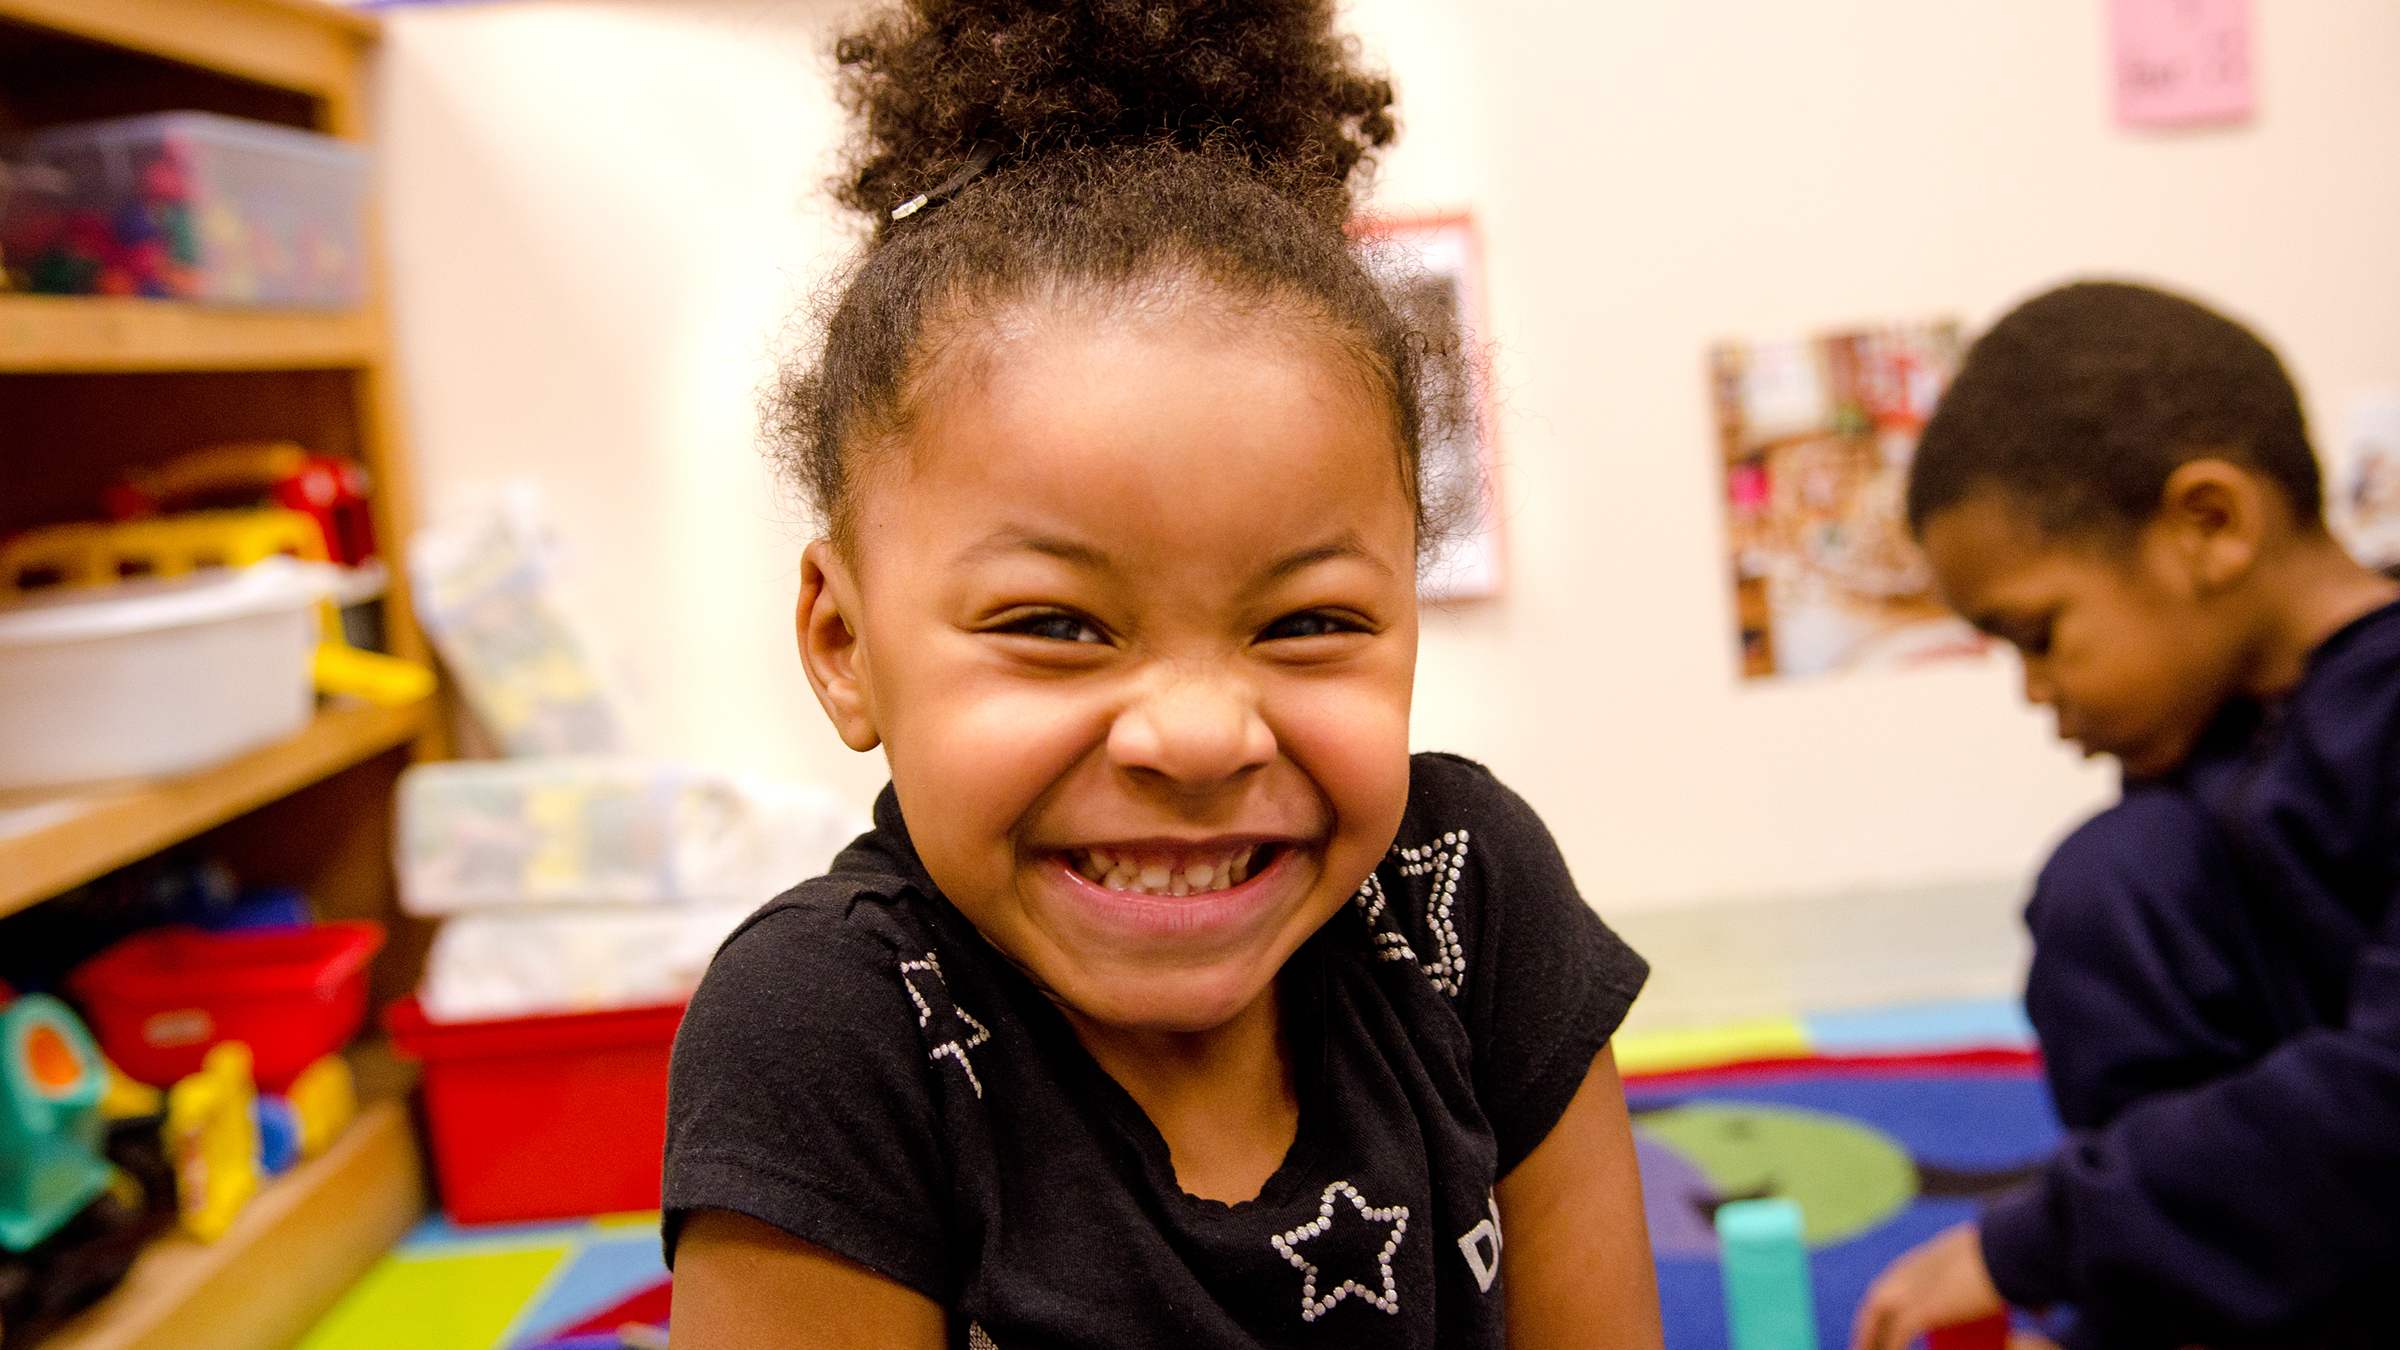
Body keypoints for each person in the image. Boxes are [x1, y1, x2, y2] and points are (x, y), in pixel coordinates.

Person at [658, 2, 1663, 1346]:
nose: (1196, 737)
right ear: (846, 645)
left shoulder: (1462, 898)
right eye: (1055, 625)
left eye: (1307, 623)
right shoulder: (832, 1033)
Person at [1851, 281, 2400, 1350]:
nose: (2034, 691)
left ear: (2209, 524)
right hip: (2300, 1253)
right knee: (2114, 871)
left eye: (2039, 634)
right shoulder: (2202, 773)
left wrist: (2031, 1242)